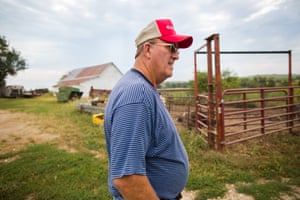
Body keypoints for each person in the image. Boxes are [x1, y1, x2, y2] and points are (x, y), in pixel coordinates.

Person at [104, 18, 193, 200]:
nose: (177, 55)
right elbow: (127, 177)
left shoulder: (142, 87)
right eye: (172, 47)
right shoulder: (137, 94)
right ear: (148, 49)